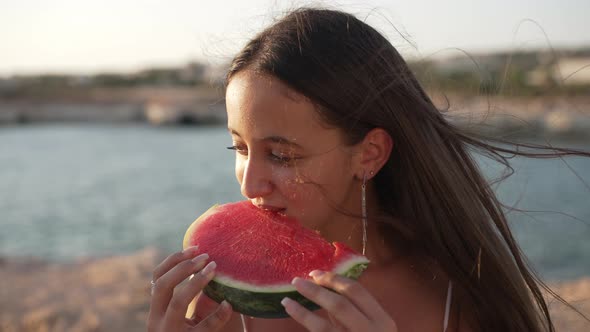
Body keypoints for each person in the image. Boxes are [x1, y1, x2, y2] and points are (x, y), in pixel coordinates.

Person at [147, 7, 589, 332]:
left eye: (281, 156)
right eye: (239, 147)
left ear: (369, 154)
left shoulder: (458, 294)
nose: (250, 183)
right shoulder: (220, 302)